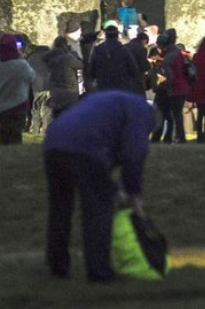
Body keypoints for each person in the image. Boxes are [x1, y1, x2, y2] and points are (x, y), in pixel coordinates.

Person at [42, 89, 155, 283]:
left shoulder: (115, 101)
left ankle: (57, 265)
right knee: (98, 210)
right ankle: (99, 272)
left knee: (60, 208)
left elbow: (106, 162)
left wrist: (115, 187)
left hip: (53, 143)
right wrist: (133, 193)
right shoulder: (142, 112)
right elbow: (133, 154)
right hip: (85, 148)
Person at [0, 34, 36, 145]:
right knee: (15, 137)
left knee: (3, 138)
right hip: (17, 104)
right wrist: (21, 57)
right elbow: (31, 76)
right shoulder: (21, 65)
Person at [158, 32, 191, 143]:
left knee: (173, 114)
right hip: (184, 86)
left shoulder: (168, 58)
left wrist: (164, 86)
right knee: (177, 114)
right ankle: (180, 136)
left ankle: (177, 136)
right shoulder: (180, 53)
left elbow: (170, 77)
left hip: (175, 88)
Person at [86, 23, 140, 92]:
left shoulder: (97, 50)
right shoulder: (124, 50)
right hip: (121, 86)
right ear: (117, 35)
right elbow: (134, 70)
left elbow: (91, 71)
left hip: (103, 86)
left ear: (106, 35)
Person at [44, 36, 85, 118]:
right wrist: (73, 54)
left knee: (57, 114)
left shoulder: (50, 57)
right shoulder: (68, 57)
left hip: (55, 89)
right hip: (69, 90)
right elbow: (81, 65)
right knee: (69, 114)